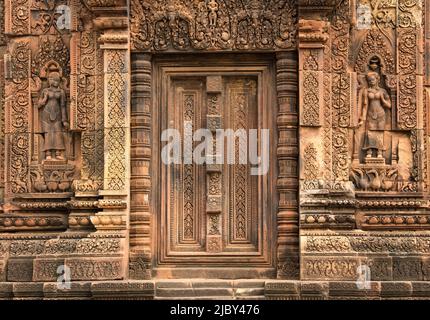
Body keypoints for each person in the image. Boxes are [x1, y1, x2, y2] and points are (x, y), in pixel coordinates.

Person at [358, 71, 391, 158]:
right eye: (369, 80)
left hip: (381, 115)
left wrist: (383, 100)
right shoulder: (366, 91)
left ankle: (379, 152)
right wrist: (362, 119)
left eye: (372, 79)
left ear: (377, 80)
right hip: (370, 114)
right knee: (370, 133)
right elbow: (365, 105)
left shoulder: (383, 91)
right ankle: (369, 151)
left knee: (379, 132)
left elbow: (389, 105)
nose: (370, 81)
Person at [38, 72, 69, 160]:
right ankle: (48, 153)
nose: (56, 82)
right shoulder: (45, 91)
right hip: (46, 115)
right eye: (53, 80)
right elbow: (39, 105)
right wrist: (44, 98)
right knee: (48, 133)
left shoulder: (61, 92)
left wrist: (64, 120)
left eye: (57, 80)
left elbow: (63, 106)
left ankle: (58, 152)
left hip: (57, 114)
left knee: (58, 132)